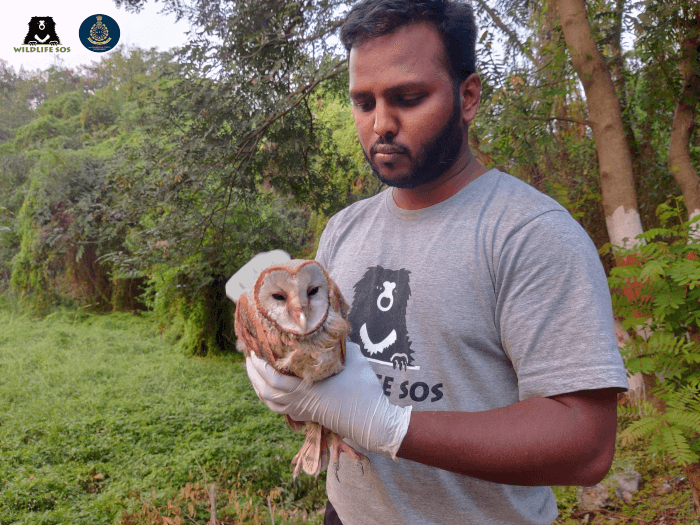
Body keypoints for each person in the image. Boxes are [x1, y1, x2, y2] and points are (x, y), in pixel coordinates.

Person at [245, 1, 629, 523]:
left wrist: (389, 426)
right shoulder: (345, 227)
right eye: (363, 102)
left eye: (408, 97)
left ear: (467, 97)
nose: (381, 123)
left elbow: (585, 444)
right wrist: (285, 370)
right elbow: (332, 368)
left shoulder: (529, 234)